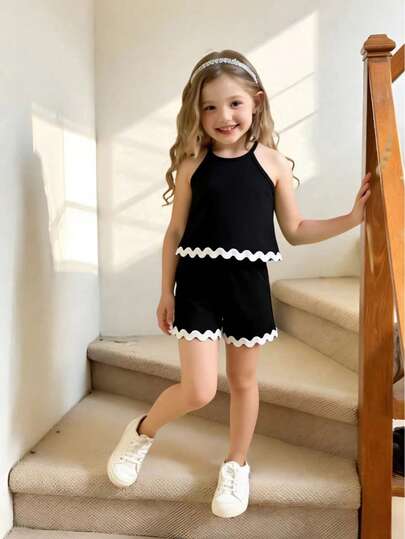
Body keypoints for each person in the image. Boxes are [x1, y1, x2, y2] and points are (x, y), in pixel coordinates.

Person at [107, 49, 372, 519]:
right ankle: (141, 431)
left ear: (256, 102)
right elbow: (174, 233)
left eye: (233, 104)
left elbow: (296, 230)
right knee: (199, 389)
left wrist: (352, 219)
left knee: (245, 381)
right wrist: (166, 291)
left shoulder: (273, 163)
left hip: (247, 285)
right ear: (196, 112)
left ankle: (236, 464)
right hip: (197, 284)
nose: (223, 116)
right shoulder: (192, 164)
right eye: (209, 107)